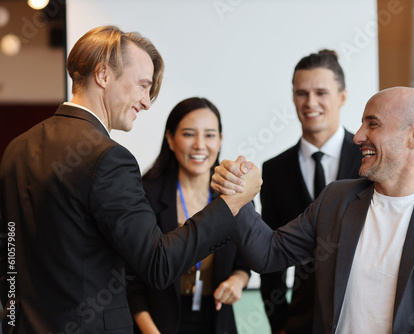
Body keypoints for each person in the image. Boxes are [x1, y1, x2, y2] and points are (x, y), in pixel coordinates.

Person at [0, 26, 259, 333]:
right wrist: (231, 203)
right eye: (142, 85)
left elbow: (10, 258)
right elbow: (159, 265)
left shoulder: (16, 148)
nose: (147, 102)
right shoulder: (109, 158)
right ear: (104, 75)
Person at [212, 87, 414, 333]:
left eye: (372, 124)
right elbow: (268, 254)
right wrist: (238, 195)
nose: (358, 136)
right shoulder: (336, 198)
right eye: (362, 124)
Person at [259, 49, 363, 334]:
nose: (310, 102)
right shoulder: (275, 170)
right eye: (301, 93)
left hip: (364, 317)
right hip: (301, 322)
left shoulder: (369, 159)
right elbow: (271, 257)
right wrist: (279, 325)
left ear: (342, 96)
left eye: (321, 92)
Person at [127, 97, 250, 334]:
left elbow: (243, 264)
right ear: (171, 139)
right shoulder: (145, 194)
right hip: (157, 324)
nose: (200, 145)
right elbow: (130, 279)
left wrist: (237, 281)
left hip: (217, 323)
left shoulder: (234, 196)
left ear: (221, 140)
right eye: (189, 134)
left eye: (210, 135)